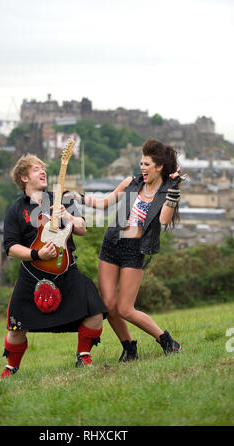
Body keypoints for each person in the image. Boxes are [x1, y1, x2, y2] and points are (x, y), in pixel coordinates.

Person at [71, 138, 184, 362]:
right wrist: (79, 198)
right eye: (141, 163)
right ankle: (129, 348)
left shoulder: (164, 193)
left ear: (159, 167)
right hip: (112, 244)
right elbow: (106, 202)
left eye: (147, 164)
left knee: (124, 308)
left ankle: (166, 340)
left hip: (135, 249)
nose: (142, 168)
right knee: (109, 305)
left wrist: (172, 193)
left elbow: (163, 220)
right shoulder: (131, 183)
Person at [0, 153, 107, 379]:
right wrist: (36, 253)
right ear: (23, 178)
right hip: (32, 275)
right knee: (16, 327)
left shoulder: (62, 200)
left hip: (67, 272)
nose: (42, 171)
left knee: (96, 311)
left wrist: (67, 215)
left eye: (43, 168)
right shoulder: (16, 211)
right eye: (36, 168)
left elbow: (82, 228)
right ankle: (11, 367)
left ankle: (83, 355)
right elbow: (10, 247)